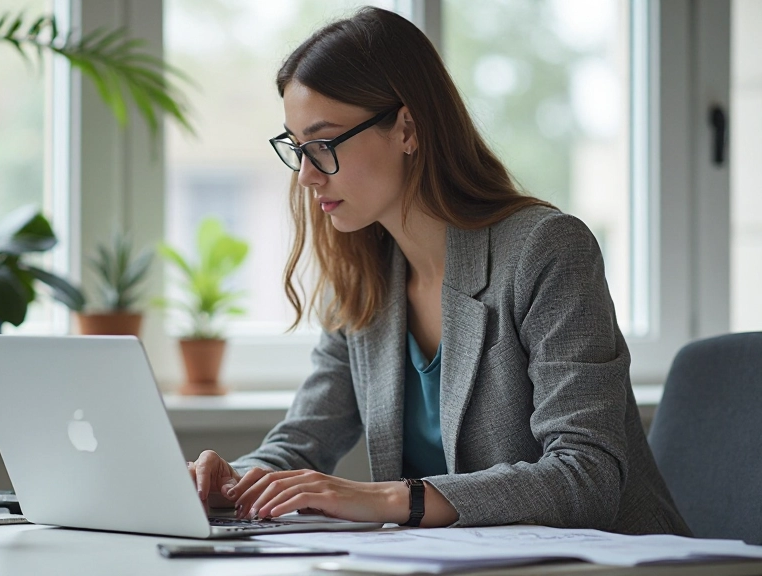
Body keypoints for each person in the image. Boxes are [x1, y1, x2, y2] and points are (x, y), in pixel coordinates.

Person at [186, 6, 691, 536]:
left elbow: (585, 476)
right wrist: (227, 482)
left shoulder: (546, 250)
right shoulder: (365, 278)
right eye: (297, 148)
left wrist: (387, 498)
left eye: (324, 145)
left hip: (610, 561)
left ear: (407, 128)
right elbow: (301, 442)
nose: (307, 176)